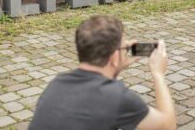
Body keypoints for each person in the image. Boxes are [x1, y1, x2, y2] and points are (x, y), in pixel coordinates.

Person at [29, 14, 176, 130]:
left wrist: (116, 66)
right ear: (113, 57)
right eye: (124, 48)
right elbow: (167, 125)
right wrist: (158, 75)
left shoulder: (57, 83)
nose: (126, 51)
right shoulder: (116, 96)